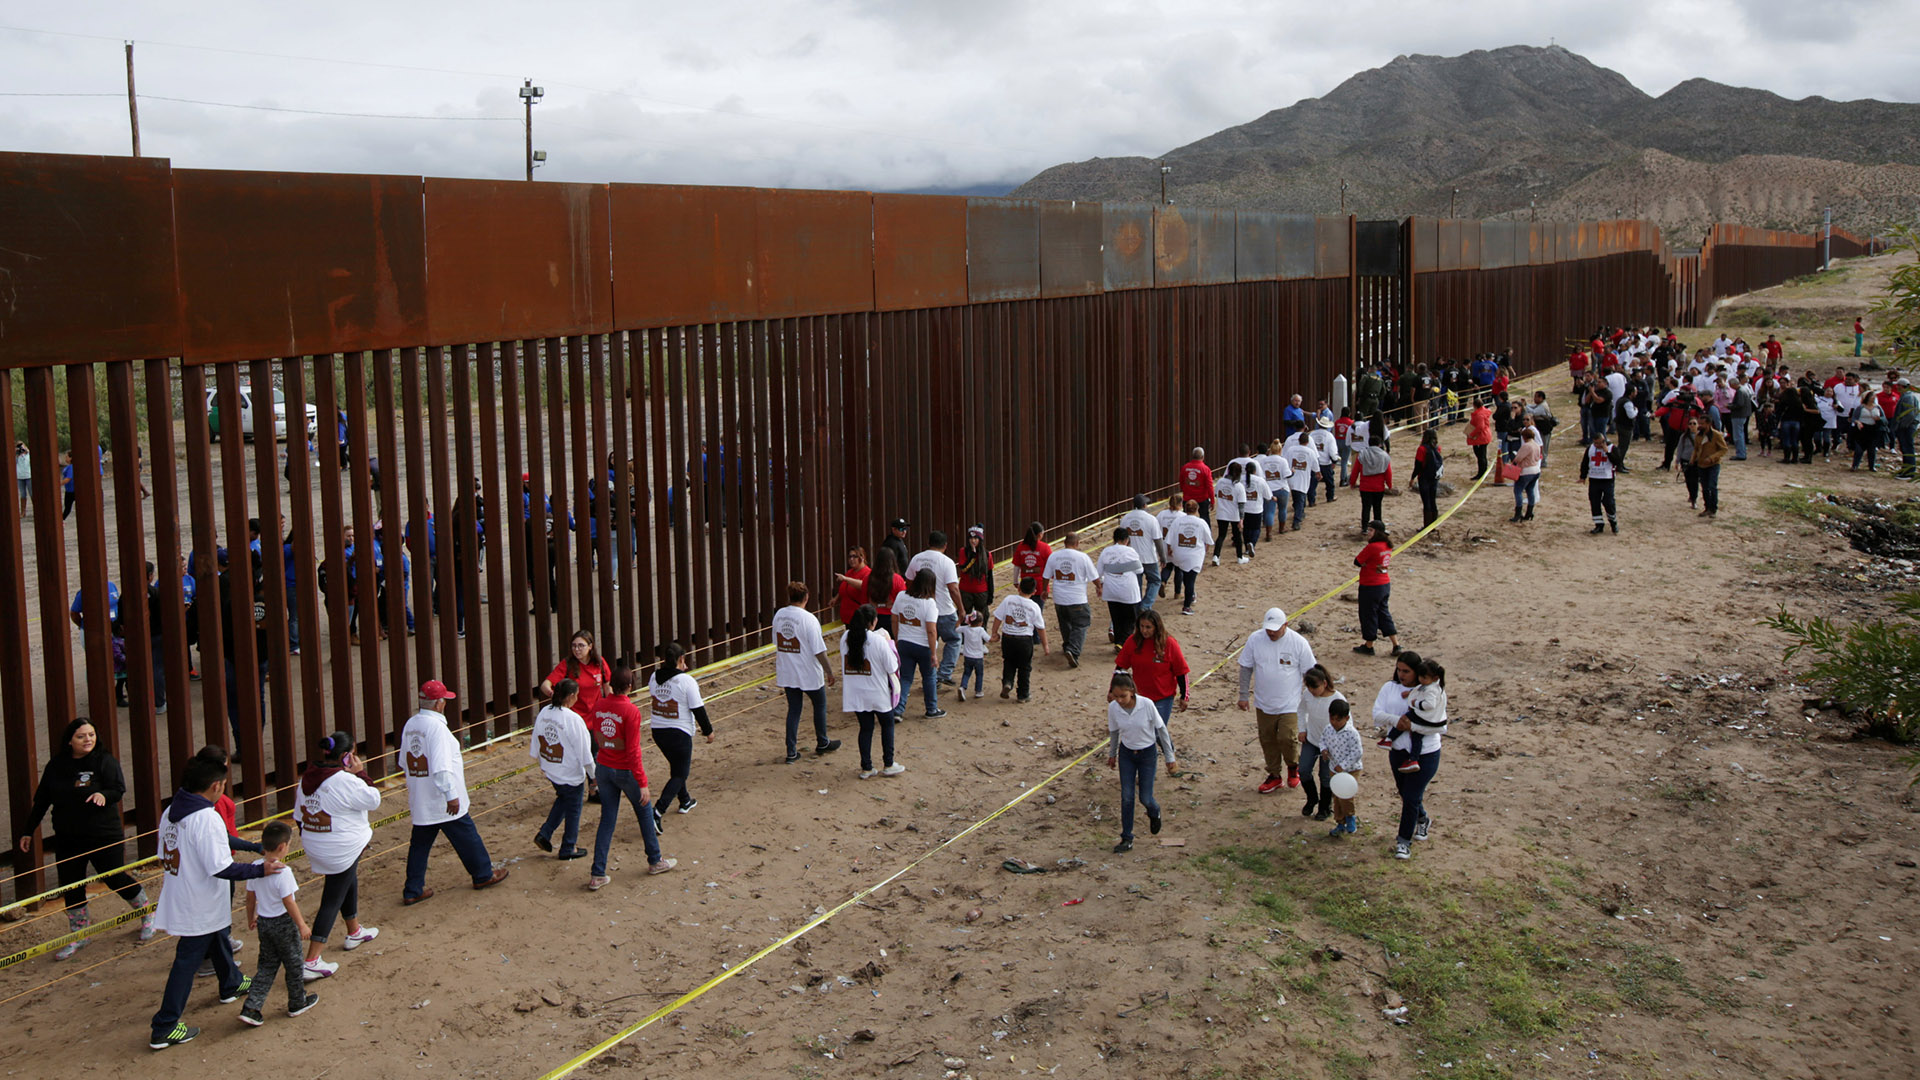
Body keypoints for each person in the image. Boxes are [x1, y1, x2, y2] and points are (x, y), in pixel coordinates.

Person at [148, 753, 283, 1051]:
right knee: (187, 960)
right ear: (216, 786)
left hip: (184, 893)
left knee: (216, 937)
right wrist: (260, 869)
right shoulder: (205, 817)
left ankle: (231, 983)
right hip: (199, 900)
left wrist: (250, 848)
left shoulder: (171, 812)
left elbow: (164, 855)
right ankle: (165, 1026)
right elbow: (221, 867)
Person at [17, 718, 154, 960]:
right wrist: (29, 830)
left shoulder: (104, 761)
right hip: (68, 837)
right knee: (71, 884)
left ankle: (146, 913)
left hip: (103, 833)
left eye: (91, 734)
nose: (88, 739)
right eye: (81, 736)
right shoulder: (57, 766)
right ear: (70, 740)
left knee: (113, 876)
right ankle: (79, 933)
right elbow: (42, 801)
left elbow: (118, 789)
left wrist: (103, 794)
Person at [400, 680, 509, 904]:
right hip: (441, 797)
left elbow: (404, 762)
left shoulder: (412, 724)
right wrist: (451, 795)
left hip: (421, 797)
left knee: (420, 844)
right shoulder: (437, 728)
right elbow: (441, 767)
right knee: (466, 835)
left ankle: (413, 889)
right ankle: (482, 874)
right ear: (439, 703)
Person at [295, 732, 381, 981]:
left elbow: (298, 816)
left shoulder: (306, 778)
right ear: (346, 756)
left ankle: (354, 930)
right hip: (340, 846)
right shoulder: (345, 780)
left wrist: (314, 839)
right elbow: (373, 799)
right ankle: (311, 959)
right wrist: (361, 773)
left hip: (317, 842)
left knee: (347, 877)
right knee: (332, 898)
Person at [588, 666, 676, 890]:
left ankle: (598, 872)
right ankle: (655, 859)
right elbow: (633, 750)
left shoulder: (600, 705)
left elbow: (598, 735)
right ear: (630, 686)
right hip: (624, 769)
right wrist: (643, 782)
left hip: (604, 766)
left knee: (607, 818)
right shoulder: (630, 711)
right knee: (644, 811)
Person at [238, 822, 318, 1026]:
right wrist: (301, 924)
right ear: (283, 846)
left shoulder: (256, 867)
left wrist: (251, 917)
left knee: (266, 965)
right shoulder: (283, 872)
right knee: (293, 963)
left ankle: (252, 1006)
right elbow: (288, 901)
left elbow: (250, 898)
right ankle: (297, 1002)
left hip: (264, 922)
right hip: (283, 922)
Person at [1237, 606, 1317, 793]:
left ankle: (1292, 766)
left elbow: (1310, 672)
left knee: (1287, 738)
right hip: (1264, 702)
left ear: (1286, 625)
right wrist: (1243, 695)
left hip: (1290, 703)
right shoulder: (1255, 639)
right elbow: (1246, 667)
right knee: (1268, 739)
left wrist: (1313, 699)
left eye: (1275, 628)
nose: (1271, 632)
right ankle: (1274, 775)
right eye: (1268, 628)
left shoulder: (1298, 643)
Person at [1106, 673, 1176, 854]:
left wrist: (1170, 756)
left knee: (1145, 797)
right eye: (1116, 696)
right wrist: (1112, 754)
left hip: (1147, 754)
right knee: (1127, 796)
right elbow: (1114, 732)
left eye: (1123, 696)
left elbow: (1161, 730)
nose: (1120, 700)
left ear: (1132, 692)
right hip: (1127, 753)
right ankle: (1127, 837)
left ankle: (1154, 811)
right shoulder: (1113, 708)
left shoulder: (1146, 705)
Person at [773, 582, 840, 763]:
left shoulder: (779, 615)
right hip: (808, 671)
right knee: (819, 705)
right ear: (806, 598)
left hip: (788, 670)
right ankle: (822, 740)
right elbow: (819, 651)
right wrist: (829, 671)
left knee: (794, 709)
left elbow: (776, 642)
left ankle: (791, 751)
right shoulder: (809, 619)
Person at [640, 650, 710, 818]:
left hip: (658, 731)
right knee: (680, 774)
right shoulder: (686, 681)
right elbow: (698, 709)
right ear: (681, 659)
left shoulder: (654, 676)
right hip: (679, 733)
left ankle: (685, 800)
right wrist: (708, 731)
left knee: (676, 765)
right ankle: (657, 811)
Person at [1389, 658, 1447, 859]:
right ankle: (1422, 818)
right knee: (1405, 793)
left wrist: (1410, 726)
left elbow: (1440, 727)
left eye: (1407, 671)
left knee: (1411, 797)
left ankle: (1403, 842)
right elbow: (1378, 714)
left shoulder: (1434, 694)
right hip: (1399, 752)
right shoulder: (1394, 689)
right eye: (1399, 671)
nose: (1402, 675)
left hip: (1428, 754)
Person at [530, 679, 593, 860]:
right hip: (569, 772)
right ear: (572, 696)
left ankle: (545, 833)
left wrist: (541, 760)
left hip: (551, 767)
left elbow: (537, 737)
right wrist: (593, 775)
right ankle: (568, 847)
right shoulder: (573, 719)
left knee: (564, 799)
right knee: (573, 807)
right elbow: (584, 752)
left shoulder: (544, 712)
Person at [841, 604, 905, 779]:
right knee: (887, 725)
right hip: (878, 693)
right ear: (872, 622)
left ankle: (866, 767)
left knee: (865, 728)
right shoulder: (878, 641)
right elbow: (892, 666)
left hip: (856, 693)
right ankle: (889, 763)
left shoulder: (845, 637)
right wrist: (889, 643)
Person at [906, 531, 965, 688]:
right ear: (945, 546)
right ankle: (943, 674)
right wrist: (961, 608)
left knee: (929, 643)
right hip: (944, 609)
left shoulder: (917, 558)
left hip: (922, 608)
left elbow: (909, 583)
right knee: (954, 640)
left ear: (928, 543)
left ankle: (931, 676)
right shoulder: (946, 562)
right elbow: (953, 588)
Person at [1114, 608, 1189, 724]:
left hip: (1162, 697)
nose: (1144, 630)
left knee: (1157, 731)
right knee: (1143, 731)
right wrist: (1112, 690)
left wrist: (1184, 696)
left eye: (1148, 627)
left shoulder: (1169, 644)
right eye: (1141, 626)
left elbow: (1181, 672)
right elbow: (1120, 668)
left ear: (1156, 627)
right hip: (1140, 697)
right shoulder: (1133, 641)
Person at [891, 568, 945, 719]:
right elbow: (931, 631)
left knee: (905, 677)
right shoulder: (929, 604)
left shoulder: (901, 596)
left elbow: (894, 619)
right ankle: (931, 708)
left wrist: (897, 637)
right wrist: (934, 653)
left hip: (904, 642)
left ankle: (898, 708)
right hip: (923, 646)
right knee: (929, 677)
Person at [1043, 531, 1098, 667]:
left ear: (1064, 543)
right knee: (1081, 624)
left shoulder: (1054, 556)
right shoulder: (1083, 557)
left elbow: (1046, 576)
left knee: (1065, 623)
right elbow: (1094, 576)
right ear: (1077, 543)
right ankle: (1073, 650)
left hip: (1059, 597)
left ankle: (1068, 645)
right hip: (1077, 597)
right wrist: (1099, 587)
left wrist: (1044, 590)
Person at [989, 578, 1048, 702]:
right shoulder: (1034, 606)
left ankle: (1007, 682)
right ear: (1034, 591)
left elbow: (998, 617)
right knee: (1025, 667)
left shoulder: (1009, 600)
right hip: (1025, 640)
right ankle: (1023, 694)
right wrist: (1045, 645)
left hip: (1008, 637)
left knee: (1008, 662)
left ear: (1019, 588)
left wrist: (994, 632)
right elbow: (1040, 628)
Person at [1297, 666, 1343, 821]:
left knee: (1325, 776)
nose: (1312, 691)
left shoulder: (1337, 699)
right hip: (1311, 740)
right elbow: (1301, 710)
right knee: (1303, 770)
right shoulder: (1307, 695)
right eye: (1308, 687)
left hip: (1330, 746)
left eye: (1314, 687)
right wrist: (1302, 729)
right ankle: (1312, 798)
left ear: (1324, 683)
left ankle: (1324, 807)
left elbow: (1346, 724)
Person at [1352, 521, 1400, 656]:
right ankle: (1396, 644)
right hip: (1384, 584)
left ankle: (1369, 645)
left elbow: (1357, 561)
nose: (1368, 533)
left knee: (1368, 615)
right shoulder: (1387, 545)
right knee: (1384, 613)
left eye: (1371, 530)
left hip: (1371, 585)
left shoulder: (1373, 547)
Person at [1096, 526, 1146, 648]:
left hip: (1111, 590)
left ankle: (1119, 642)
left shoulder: (1106, 552)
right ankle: (1123, 643)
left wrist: (1100, 584)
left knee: (1116, 618)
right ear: (1126, 540)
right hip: (1128, 590)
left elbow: (1098, 572)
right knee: (1130, 619)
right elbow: (1140, 569)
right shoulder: (1131, 552)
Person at [541, 630, 613, 713]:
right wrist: (553, 695)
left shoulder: (599, 662)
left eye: (581, 646)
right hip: (574, 716)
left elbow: (607, 686)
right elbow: (545, 685)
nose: (577, 649)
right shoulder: (567, 664)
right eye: (574, 646)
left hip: (597, 714)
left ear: (590, 646)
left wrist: (611, 707)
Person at [1322, 699, 1364, 837]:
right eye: (1332, 718)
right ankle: (1340, 822)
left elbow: (1357, 752)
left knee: (1346, 795)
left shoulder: (1352, 733)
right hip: (1334, 768)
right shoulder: (1328, 729)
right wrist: (1324, 750)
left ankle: (1350, 817)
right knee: (1337, 796)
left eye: (1338, 719)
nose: (1334, 722)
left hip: (1351, 769)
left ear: (1346, 718)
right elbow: (1322, 740)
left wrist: (1344, 765)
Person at [1165, 500, 1212, 615]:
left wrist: (1170, 550)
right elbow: (1208, 541)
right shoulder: (1201, 522)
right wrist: (1205, 550)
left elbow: (1168, 539)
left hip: (1179, 554)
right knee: (1190, 580)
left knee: (1186, 577)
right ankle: (1187, 605)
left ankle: (1189, 596)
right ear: (1197, 509)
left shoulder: (1177, 521)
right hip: (1194, 555)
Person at [1119, 495, 1164, 610]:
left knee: (1136, 584)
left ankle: (1137, 605)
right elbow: (1158, 540)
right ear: (1144, 505)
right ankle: (1145, 605)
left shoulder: (1126, 518)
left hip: (1131, 557)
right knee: (1155, 581)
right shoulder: (1151, 519)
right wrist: (1163, 557)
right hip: (1148, 556)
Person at [1349, 431, 1393, 533]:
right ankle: (1378, 528)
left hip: (1365, 487)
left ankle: (1365, 527)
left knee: (1366, 508)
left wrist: (1352, 482)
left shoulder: (1362, 455)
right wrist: (1389, 484)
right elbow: (1388, 472)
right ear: (1380, 444)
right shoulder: (1384, 456)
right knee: (1377, 508)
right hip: (1379, 487)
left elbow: (1356, 470)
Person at [1581, 432, 1621, 535]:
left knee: (1608, 502)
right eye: (1595, 443)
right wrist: (1583, 476)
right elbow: (1585, 462)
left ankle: (1613, 522)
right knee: (1594, 502)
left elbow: (1618, 461)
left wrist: (1607, 452)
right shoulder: (1590, 449)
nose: (1597, 446)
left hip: (1607, 479)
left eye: (1599, 443)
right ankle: (1599, 524)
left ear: (1604, 441)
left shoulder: (1612, 448)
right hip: (1594, 479)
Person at [1009, 522, 1052, 613]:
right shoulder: (1045, 547)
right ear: (1040, 534)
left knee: (1025, 613)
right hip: (1040, 586)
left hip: (1025, 585)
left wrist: (1015, 581)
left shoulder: (1021, 546)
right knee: (1037, 613)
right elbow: (1050, 566)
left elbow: (1016, 565)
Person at [1211, 461, 1247, 564]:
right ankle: (1240, 557)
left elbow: (1217, 494)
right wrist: (1241, 519)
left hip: (1222, 512)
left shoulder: (1221, 481)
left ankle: (1216, 556)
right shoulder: (1239, 486)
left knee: (1221, 536)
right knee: (1237, 536)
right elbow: (1241, 504)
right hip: (1234, 514)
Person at [865, 547, 906, 634]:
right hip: (891, 618)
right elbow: (903, 602)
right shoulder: (898, 580)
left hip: (872, 617)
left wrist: (878, 605)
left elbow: (863, 601)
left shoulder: (867, 579)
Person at [956, 526, 994, 620]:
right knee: (964, 618)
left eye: (976, 538)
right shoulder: (963, 551)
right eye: (971, 538)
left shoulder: (987, 555)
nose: (973, 541)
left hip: (981, 591)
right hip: (966, 591)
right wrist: (972, 556)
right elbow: (964, 569)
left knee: (982, 618)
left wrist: (990, 594)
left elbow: (989, 575)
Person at [1282, 434, 1315, 531]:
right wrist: (1318, 473)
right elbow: (1315, 465)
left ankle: (1300, 513)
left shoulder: (1290, 450)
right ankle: (1296, 521)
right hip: (1303, 478)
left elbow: (1286, 461)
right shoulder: (1310, 452)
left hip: (1292, 477)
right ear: (1307, 442)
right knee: (1300, 498)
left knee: (1297, 498)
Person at [832, 547, 872, 626]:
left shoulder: (867, 573)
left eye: (854, 556)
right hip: (846, 618)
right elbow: (845, 588)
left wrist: (845, 578)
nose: (851, 559)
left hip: (859, 618)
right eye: (850, 557)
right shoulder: (849, 572)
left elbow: (863, 585)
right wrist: (836, 598)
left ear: (862, 557)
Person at [1410, 429, 1442, 528]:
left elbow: (1418, 465)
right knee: (1433, 500)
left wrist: (1412, 477)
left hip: (1424, 477)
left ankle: (1427, 525)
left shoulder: (1422, 449)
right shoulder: (1438, 448)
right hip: (1434, 477)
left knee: (1426, 501)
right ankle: (1433, 524)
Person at [1510, 428, 1542, 522]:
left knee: (1518, 491)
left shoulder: (1527, 446)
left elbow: (1518, 458)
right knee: (1530, 490)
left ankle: (1518, 513)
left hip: (1526, 471)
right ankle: (1529, 512)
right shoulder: (1536, 445)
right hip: (1536, 470)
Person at [957, 612, 989, 702]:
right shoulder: (981, 630)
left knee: (967, 673)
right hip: (978, 657)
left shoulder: (965, 629)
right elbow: (989, 639)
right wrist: (996, 637)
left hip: (967, 656)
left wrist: (959, 619)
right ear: (980, 622)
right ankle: (978, 691)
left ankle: (963, 687)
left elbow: (956, 628)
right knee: (979, 674)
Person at [1179, 448, 1214, 527]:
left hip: (1188, 498)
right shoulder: (1205, 469)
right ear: (1203, 457)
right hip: (1202, 498)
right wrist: (1212, 500)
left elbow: (1181, 482)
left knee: (1186, 519)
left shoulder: (1185, 467)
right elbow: (1210, 486)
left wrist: (1185, 491)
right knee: (1205, 519)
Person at [1466, 399, 1493, 479]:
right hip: (1485, 435)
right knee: (1482, 455)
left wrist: (1472, 434)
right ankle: (1483, 471)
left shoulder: (1479, 415)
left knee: (1480, 456)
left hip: (1481, 437)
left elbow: (1480, 427)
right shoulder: (1483, 412)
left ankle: (1481, 472)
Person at [14, 440, 28, 518]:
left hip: (28, 475)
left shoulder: (28, 454)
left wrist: (26, 450)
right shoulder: (17, 456)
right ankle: (23, 511)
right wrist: (16, 453)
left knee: (32, 493)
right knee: (23, 494)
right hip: (20, 476)